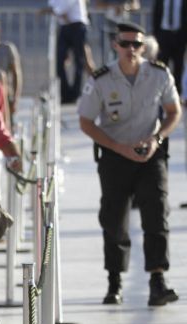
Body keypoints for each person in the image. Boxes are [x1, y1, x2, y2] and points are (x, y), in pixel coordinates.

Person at [78, 22, 181, 306]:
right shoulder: (101, 79)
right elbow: (85, 122)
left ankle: (157, 280)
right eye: (125, 44)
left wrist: (157, 138)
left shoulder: (159, 74)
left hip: (150, 154)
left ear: (143, 47)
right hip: (115, 155)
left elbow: (174, 112)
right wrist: (117, 147)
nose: (131, 50)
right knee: (114, 218)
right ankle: (115, 281)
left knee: (157, 213)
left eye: (136, 44)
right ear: (115, 45)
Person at [48, 0, 92, 104]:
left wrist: (55, 11)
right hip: (65, 26)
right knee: (60, 61)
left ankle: (75, 94)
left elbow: (63, 6)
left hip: (78, 25)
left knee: (79, 61)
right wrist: (56, 11)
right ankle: (65, 94)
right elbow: (53, 4)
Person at [153, 0, 187, 94]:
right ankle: (161, 93)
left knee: (179, 68)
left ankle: (177, 95)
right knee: (161, 67)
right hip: (164, 36)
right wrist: (157, 36)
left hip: (180, 37)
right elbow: (156, 15)